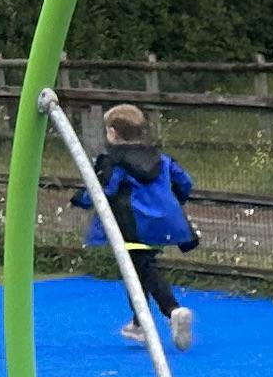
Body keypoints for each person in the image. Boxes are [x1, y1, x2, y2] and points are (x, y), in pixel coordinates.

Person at [78, 103, 198, 349]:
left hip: (133, 223)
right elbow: (185, 182)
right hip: (163, 223)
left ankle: (172, 310)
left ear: (112, 133)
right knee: (139, 266)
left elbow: (105, 190)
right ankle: (139, 322)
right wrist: (173, 202)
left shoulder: (115, 163)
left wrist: (81, 199)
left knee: (142, 267)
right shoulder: (161, 159)